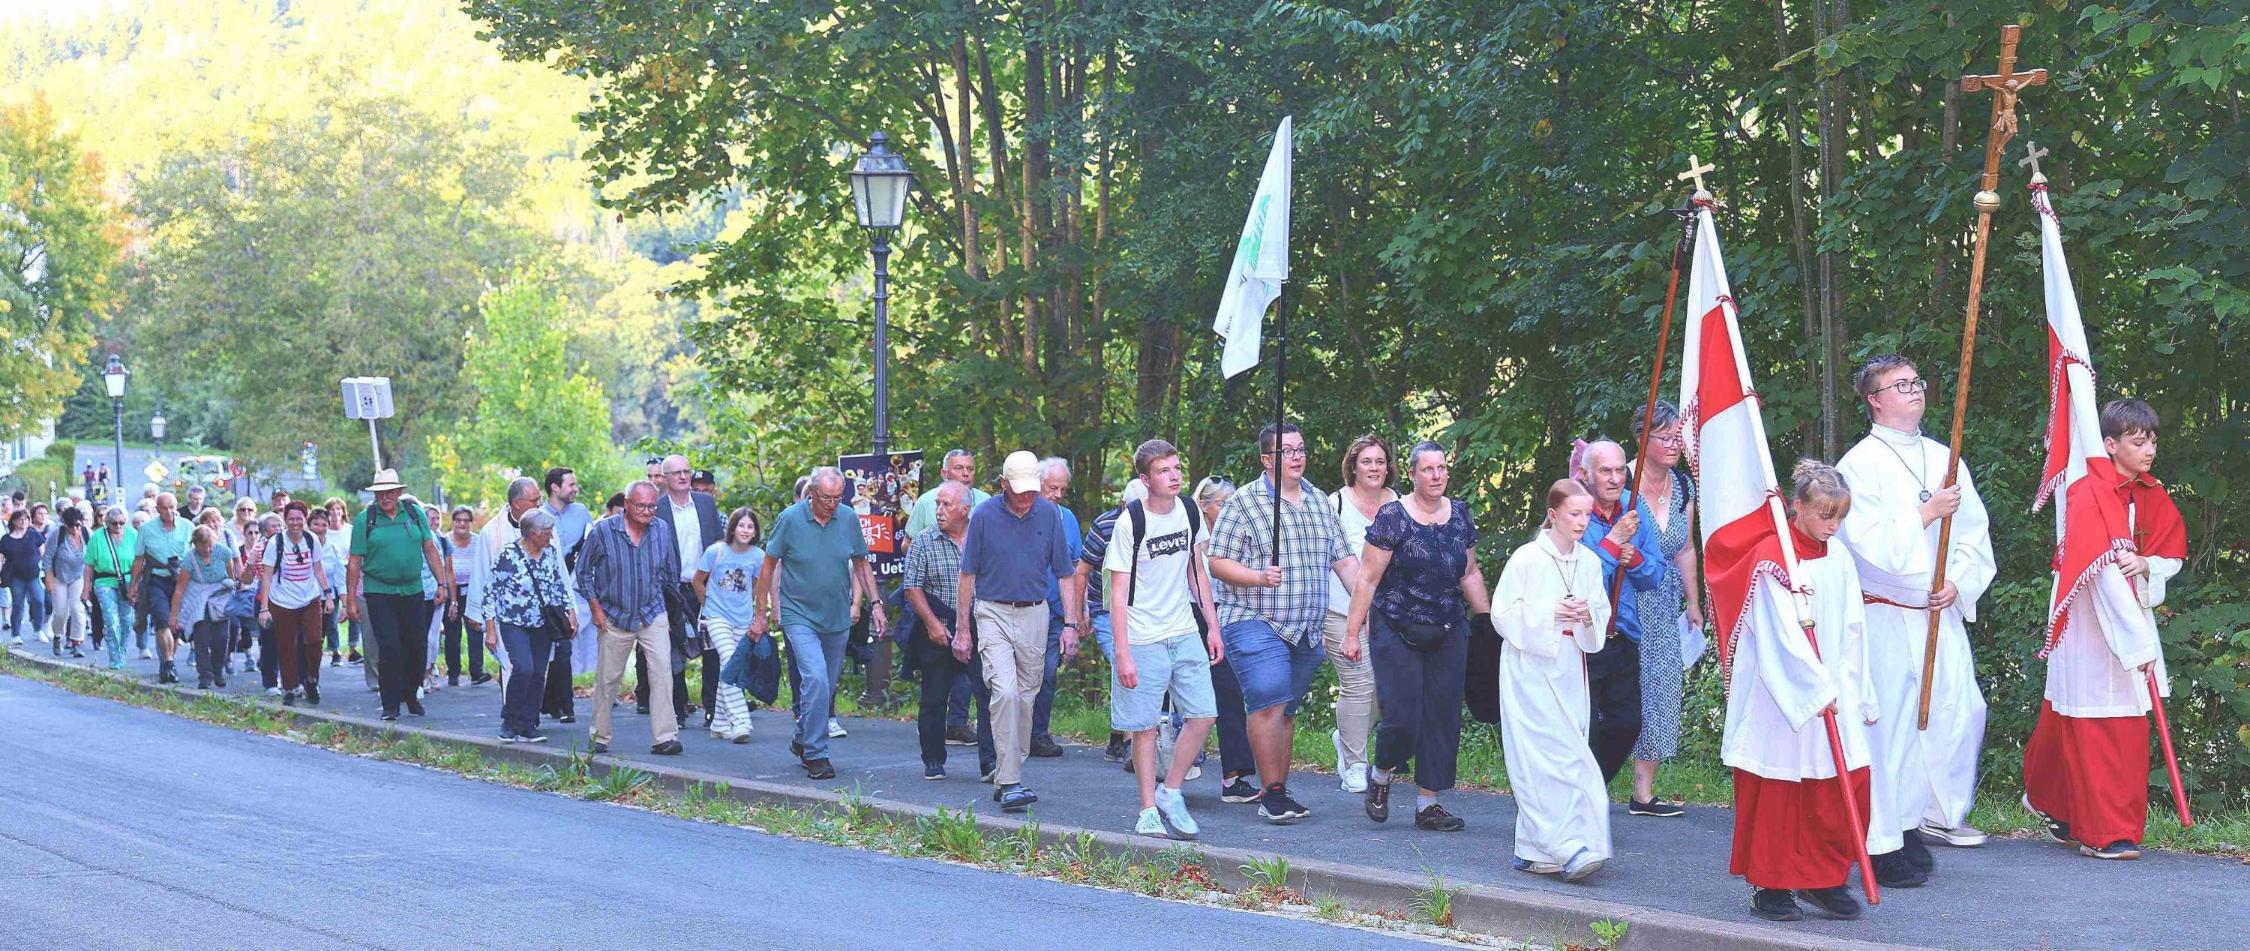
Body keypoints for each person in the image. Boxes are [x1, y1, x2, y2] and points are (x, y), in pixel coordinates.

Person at [1835, 354, 1995, 882]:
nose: (1913, 390)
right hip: (1886, 614)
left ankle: (1928, 815)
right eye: (1899, 385)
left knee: (1961, 711)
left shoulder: (1943, 457)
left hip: (1936, 612)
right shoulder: (1858, 465)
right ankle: (1885, 839)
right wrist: (1925, 514)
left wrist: (1957, 583)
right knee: (1892, 729)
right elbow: (1861, 539)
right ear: (1874, 400)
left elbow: (1973, 533)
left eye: (1916, 382)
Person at [2023, 398, 2187, 861]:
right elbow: (2093, 569)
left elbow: (2169, 556)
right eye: (2138, 442)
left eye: (2152, 440)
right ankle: (2100, 828)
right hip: (2089, 620)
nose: (2149, 449)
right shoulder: (2088, 492)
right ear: (2110, 445)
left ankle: (2078, 814)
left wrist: (2146, 564)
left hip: (2130, 610)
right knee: (2089, 712)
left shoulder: (2152, 493)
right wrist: (2134, 641)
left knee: (2121, 717)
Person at [1724, 461, 1877, 922]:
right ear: (1798, 507)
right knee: (1781, 790)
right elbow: (1777, 636)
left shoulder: (1840, 557)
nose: (1833, 526)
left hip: (1835, 689)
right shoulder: (1774, 559)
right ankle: (1771, 885)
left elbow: (1854, 627)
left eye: (1839, 517)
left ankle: (1825, 879)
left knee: (1844, 782)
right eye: (1825, 515)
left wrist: (1855, 688)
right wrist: (1813, 689)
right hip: (1783, 697)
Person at [1207, 423, 1359, 823]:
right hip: (1254, 618)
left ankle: (1278, 788)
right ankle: (1272, 793)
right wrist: (1258, 576)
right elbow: (1217, 561)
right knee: (1270, 698)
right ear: (1266, 459)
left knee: (1285, 709)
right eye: (1286, 451)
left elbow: (1345, 562)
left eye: (1300, 449)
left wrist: (1368, 609)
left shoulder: (1320, 502)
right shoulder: (1244, 503)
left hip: (1306, 627)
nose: (1296, 456)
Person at [1343, 441, 1488, 832]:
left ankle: (1428, 804)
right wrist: (1352, 633)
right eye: (1428, 469)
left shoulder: (1459, 516)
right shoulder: (1392, 517)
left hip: (1448, 626)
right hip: (1396, 626)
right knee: (1403, 717)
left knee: (1442, 715)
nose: (1437, 475)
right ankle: (1381, 774)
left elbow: (1470, 572)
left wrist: (1488, 622)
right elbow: (1368, 578)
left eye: (1442, 468)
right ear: (1412, 474)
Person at [1493, 479, 1612, 882]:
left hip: (1569, 665)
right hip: (1530, 666)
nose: (1582, 522)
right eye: (1574, 514)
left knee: (1570, 751)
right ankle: (1567, 847)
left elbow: (1601, 610)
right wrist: (1551, 615)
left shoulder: (1590, 562)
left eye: (1587, 515)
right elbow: (1502, 613)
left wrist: (1586, 614)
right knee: (1540, 755)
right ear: (1554, 514)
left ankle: (1533, 848)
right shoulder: (1527, 558)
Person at [1104, 440, 1221, 840]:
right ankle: (1148, 809)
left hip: (1184, 629)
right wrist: (1123, 654)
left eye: (1176, 468)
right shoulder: (1130, 523)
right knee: (1146, 726)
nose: (1174, 476)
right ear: (1144, 479)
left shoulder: (1190, 511)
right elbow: (1117, 594)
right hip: (1142, 636)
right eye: (1163, 471)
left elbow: (1197, 573)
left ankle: (1170, 790)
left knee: (1204, 714)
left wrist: (1213, 627)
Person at [955, 451, 1077, 812]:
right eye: (1019, 490)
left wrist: (1070, 624)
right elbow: (967, 575)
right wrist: (963, 628)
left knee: (1026, 697)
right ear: (1003, 484)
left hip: (1035, 614)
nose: (1026, 497)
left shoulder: (1049, 514)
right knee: (1004, 691)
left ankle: (1009, 768)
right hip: (992, 611)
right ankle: (1010, 781)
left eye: (1031, 490)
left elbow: (1066, 573)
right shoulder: (984, 515)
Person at [753, 467, 882, 779]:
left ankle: (801, 737)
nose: (832, 504)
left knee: (826, 684)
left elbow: (862, 563)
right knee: (816, 680)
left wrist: (875, 603)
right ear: (811, 493)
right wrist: (761, 612)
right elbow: (768, 566)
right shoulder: (790, 519)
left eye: (838, 498)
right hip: (799, 614)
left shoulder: (848, 518)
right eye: (826, 498)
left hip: (836, 616)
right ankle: (816, 753)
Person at [1572, 438, 1666, 783]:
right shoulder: (1574, 509)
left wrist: (1635, 558)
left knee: (1627, 722)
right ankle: (1580, 803)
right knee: (1583, 726)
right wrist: (1613, 543)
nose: (1614, 479)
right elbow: (1578, 576)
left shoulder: (1633, 508)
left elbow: (1655, 574)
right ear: (1586, 474)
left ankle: (1589, 790)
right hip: (1582, 637)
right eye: (1604, 471)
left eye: (1619, 470)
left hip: (1622, 632)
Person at [1627, 401, 1705, 817]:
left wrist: (1693, 601)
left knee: (1662, 688)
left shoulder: (1684, 486)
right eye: (1666, 437)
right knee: (1620, 691)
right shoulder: (1620, 479)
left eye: (1679, 437)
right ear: (1643, 439)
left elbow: (1686, 547)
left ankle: (1643, 792)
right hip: (1622, 601)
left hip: (1664, 600)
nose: (1675, 444)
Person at [577, 480, 684, 755]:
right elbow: (583, 572)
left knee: (662, 673)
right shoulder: (604, 531)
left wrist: (671, 613)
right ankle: (599, 736)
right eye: (641, 505)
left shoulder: (662, 529)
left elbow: (672, 572)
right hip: (615, 614)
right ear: (627, 504)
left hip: (652, 611)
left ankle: (665, 737)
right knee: (608, 678)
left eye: (652, 506)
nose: (647, 511)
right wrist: (596, 609)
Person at [903, 481, 995, 781]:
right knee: (934, 694)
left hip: (979, 620)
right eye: (937, 504)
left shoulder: (982, 538)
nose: (939, 510)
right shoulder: (924, 541)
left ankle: (990, 761)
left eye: (946, 505)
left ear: (965, 510)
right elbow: (912, 587)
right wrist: (931, 624)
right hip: (939, 620)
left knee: (987, 692)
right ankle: (933, 759)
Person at [345, 470, 455, 721]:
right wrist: (351, 599)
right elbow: (353, 562)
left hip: (413, 589)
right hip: (379, 591)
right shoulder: (366, 519)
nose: (385, 497)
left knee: (417, 647)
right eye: (380, 493)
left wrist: (442, 583)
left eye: (390, 492)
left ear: (398, 492)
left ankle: (410, 693)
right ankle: (390, 704)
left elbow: (430, 548)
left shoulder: (415, 514)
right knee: (391, 647)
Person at [1326, 434, 1395, 793]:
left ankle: (1347, 734)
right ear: (1353, 466)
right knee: (1359, 683)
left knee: (1388, 691)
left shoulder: (1401, 505)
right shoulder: (1333, 505)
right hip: (1341, 611)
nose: (1374, 468)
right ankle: (1355, 763)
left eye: (1380, 461)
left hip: (1391, 615)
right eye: (1366, 461)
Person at [482, 507, 576, 744]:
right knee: (523, 668)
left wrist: (569, 613)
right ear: (532, 533)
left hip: (542, 623)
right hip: (514, 622)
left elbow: (558, 584)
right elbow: (490, 592)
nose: (550, 536)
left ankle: (528, 724)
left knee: (537, 673)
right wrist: (490, 629)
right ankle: (509, 720)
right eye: (546, 532)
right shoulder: (508, 555)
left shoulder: (550, 553)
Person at [1074, 476, 1149, 763]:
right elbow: (1081, 571)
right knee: (1124, 662)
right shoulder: (1105, 525)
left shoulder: (1159, 519)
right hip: (1104, 608)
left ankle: (1121, 736)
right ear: (1122, 505)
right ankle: (1130, 744)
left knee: (1141, 667)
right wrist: (1080, 612)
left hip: (1143, 610)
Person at [654, 454, 722, 729]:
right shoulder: (657, 509)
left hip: (705, 585)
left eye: (686, 471)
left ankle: (713, 708)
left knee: (713, 646)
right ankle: (678, 708)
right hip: (673, 588)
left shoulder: (706, 504)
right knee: (673, 649)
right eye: (676, 473)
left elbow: (719, 543)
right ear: (666, 478)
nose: (683, 477)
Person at [692, 507, 764, 744]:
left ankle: (719, 723)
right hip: (717, 617)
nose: (745, 530)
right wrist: (709, 605)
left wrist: (756, 615)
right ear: (733, 528)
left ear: (755, 532)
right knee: (730, 660)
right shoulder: (716, 551)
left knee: (729, 666)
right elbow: (697, 581)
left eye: (750, 526)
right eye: (741, 525)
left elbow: (756, 587)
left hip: (742, 620)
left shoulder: (757, 556)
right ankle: (741, 721)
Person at [1029, 456, 1085, 759]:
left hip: (1055, 611)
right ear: (1037, 485)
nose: (1058, 494)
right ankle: (1013, 733)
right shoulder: (1023, 515)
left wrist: (1077, 615)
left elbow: (1076, 569)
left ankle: (1039, 733)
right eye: (1053, 488)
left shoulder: (1068, 519)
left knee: (1048, 672)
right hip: (1023, 607)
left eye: (1063, 489)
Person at [259, 502, 331, 706]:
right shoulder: (276, 543)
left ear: (304, 520)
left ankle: (311, 679)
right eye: (291, 519)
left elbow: (318, 568)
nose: (295, 523)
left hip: (309, 597)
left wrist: (328, 594)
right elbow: (266, 577)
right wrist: (264, 608)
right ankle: (289, 687)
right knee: (286, 645)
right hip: (282, 601)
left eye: (299, 519)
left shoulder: (311, 539)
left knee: (315, 640)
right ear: (285, 520)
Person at [539, 467, 594, 724]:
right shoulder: (537, 516)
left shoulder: (582, 512)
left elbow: (592, 545)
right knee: (552, 649)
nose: (575, 489)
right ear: (555, 488)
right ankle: (551, 701)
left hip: (573, 589)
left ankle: (564, 705)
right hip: (546, 593)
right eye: (571, 485)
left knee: (565, 647)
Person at [129, 493, 192, 682]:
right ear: (157, 509)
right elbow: (139, 559)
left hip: (180, 580)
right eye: (165, 508)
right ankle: (169, 663)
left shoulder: (188, 527)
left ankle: (167, 661)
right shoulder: (146, 529)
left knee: (175, 626)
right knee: (162, 620)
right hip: (156, 579)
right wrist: (133, 586)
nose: (170, 512)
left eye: (173, 507)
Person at [171, 526, 240, 690]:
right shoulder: (190, 558)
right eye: (204, 546)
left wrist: (230, 591)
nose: (208, 549)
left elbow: (230, 576)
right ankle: (205, 676)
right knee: (201, 640)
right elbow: (180, 589)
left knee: (222, 638)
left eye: (210, 545)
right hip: (199, 600)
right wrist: (174, 615)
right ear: (195, 544)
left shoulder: (223, 552)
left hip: (219, 600)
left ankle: (217, 671)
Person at [443, 505, 491, 687]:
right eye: (458, 520)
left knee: (475, 632)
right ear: (453, 522)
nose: (462, 524)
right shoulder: (445, 541)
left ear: (471, 523)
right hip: (452, 593)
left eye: (466, 520)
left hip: (473, 592)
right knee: (452, 634)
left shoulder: (478, 541)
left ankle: (476, 672)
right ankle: (453, 673)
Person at [89, 507, 136, 670]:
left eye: (122, 523)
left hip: (128, 581)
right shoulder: (97, 537)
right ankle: (114, 656)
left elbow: (139, 561)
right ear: (107, 523)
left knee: (127, 621)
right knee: (110, 620)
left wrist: (138, 584)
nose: (118, 526)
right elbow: (89, 565)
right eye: (114, 523)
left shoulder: (133, 535)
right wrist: (85, 588)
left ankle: (122, 651)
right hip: (104, 582)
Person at [43, 506, 90, 658]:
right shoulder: (58, 535)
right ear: (65, 524)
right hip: (59, 577)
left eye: (78, 525)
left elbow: (92, 556)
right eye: (72, 526)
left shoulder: (86, 534)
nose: (76, 528)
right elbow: (48, 558)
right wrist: (49, 579)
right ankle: (57, 637)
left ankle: (76, 642)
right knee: (61, 612)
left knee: (77, 609)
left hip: (78, 576)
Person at [310, 506, 349, 667]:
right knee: (309, 636)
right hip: (306, 598)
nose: (320, 529)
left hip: (328, 598)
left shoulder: (332, 548)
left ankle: (313, 672)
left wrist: (345, 604)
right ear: (309, 525)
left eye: (323, 525)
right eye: (316, 524)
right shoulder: (303, 545)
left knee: (322, 633)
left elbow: (340, 578)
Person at [0, 509, 39, 645]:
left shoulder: (33, 535)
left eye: (26, 519)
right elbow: (1, 558)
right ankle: (15, 634)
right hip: (16, 576)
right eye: (21, 519)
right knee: (18, 604)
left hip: (34, 574)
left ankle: (38, 629)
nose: (24, 522)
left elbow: (42, 549)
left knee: (39, 600)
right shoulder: (6, 539)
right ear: (15, 521)